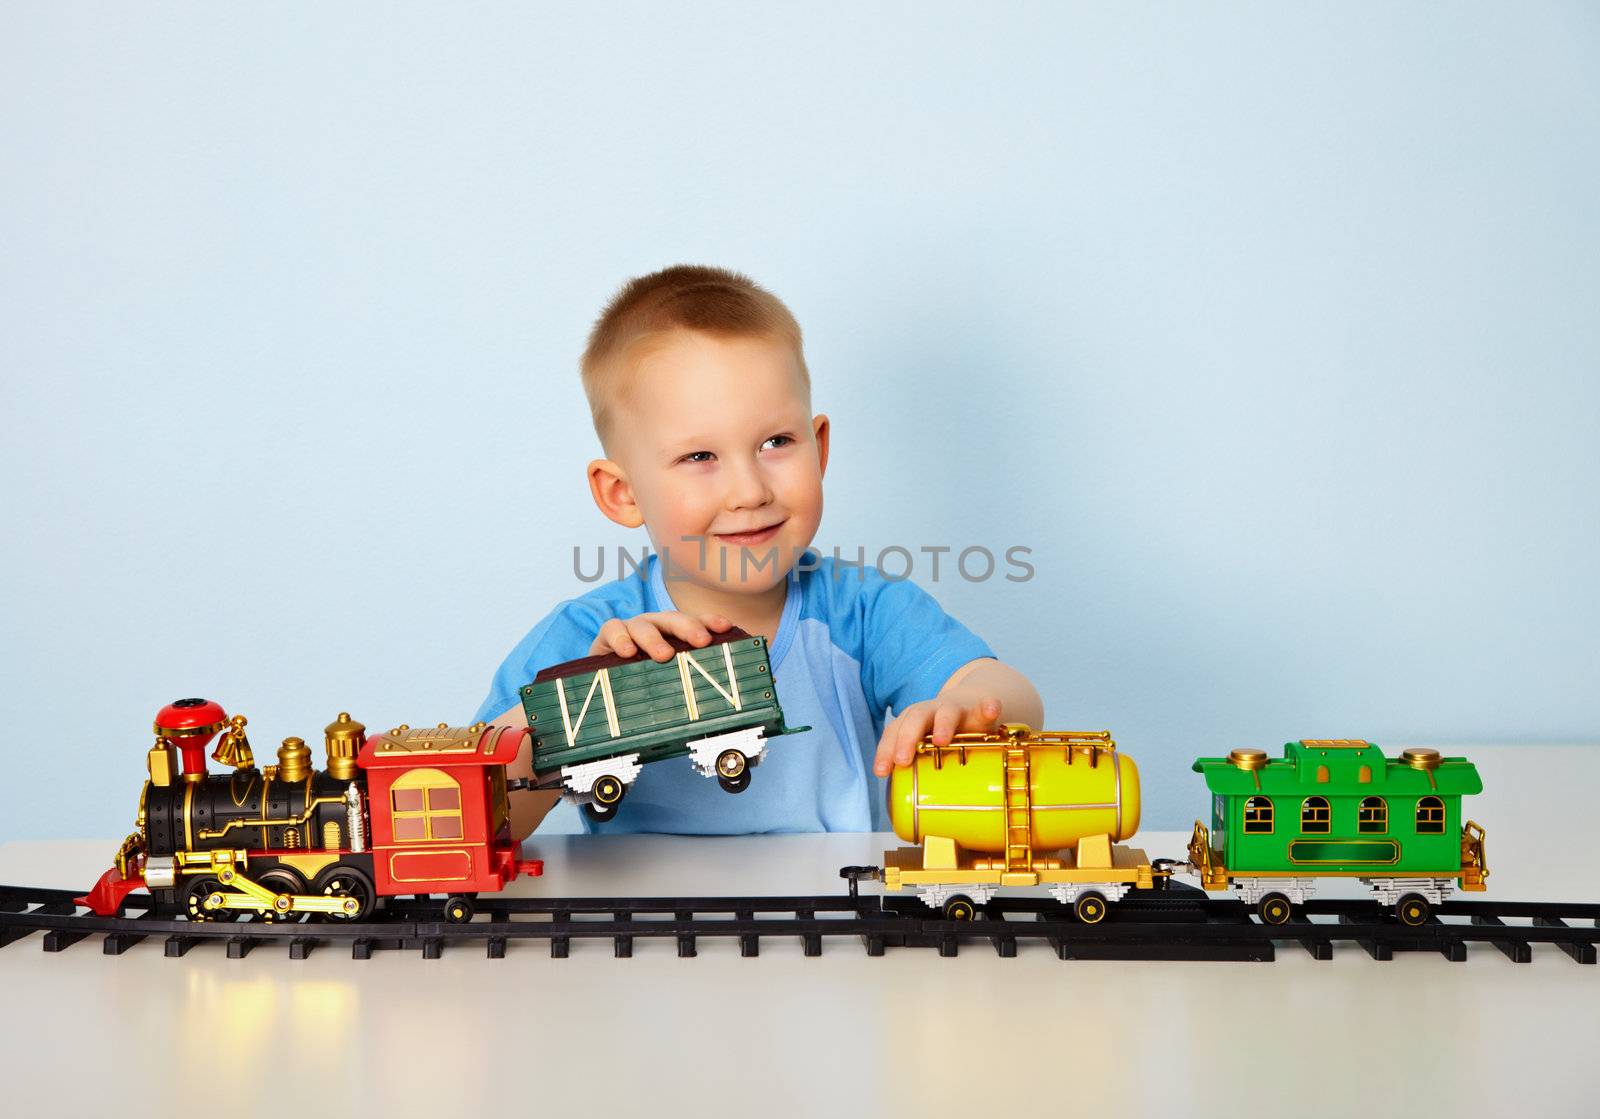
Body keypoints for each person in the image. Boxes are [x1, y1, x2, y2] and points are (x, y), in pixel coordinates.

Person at [474, 264, 1043, 839]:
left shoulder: (865, 612)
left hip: (834, 918)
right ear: (622, 494)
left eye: (776, 442)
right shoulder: (589, 636)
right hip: (647, 925)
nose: (750, 492)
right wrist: (564, 716)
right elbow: (484, 818)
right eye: (699, 457)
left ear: (818, 449)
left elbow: (1009, 695)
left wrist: (975, 710)